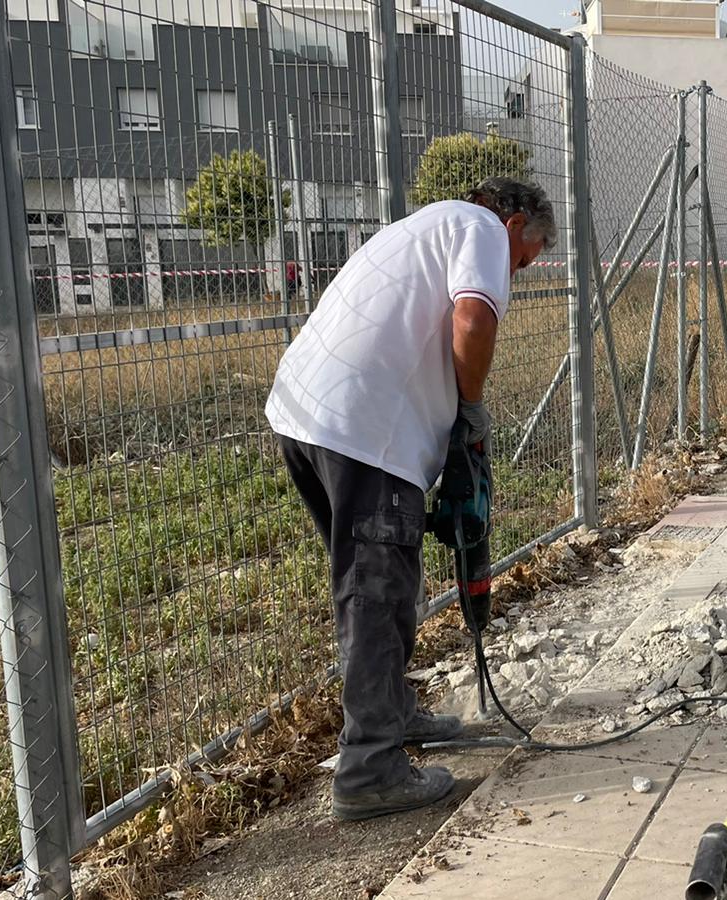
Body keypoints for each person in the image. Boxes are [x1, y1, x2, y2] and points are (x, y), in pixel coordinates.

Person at [265, 177, 553, 821]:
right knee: (377, 594)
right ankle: (369, 770)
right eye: (524, 262)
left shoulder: (421, 226)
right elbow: (473, 316)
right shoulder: (482, 230)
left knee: (381, 583)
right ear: (513, 226)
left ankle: (391, 717)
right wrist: (470, 408)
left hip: (307, 418)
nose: (516, 274)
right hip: (365, 432)